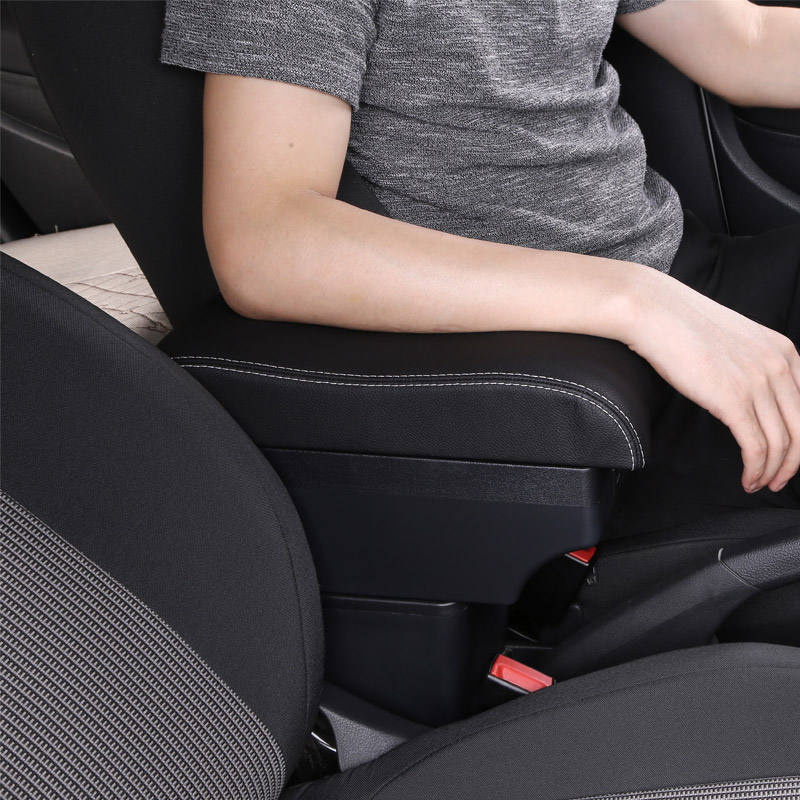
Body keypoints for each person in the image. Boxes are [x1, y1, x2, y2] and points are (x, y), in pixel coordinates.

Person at [160, 0, 800, 536]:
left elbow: (744, 38)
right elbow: (266, 239)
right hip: (564, 371)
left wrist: (660, 298)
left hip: (687, 277)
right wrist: (639, 302)